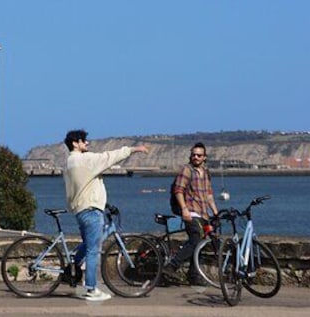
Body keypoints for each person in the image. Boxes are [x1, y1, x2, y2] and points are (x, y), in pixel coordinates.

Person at [63, 129, 149, 301]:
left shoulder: (68, 163)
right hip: (91, 210)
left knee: (88, 244)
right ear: (75, 143)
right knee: (94, 250)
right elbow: (109, 156)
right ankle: (91, 289)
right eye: (84, 141)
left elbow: (83, 186)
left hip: (80, 209)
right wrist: (133, 149)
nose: (87, 143)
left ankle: (73, 265)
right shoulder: (85, 160)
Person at [162, 141, 219, 285]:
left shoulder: (206, 172)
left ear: (204, 157)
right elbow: (178, 190)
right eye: (193, 155)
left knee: (202, 243)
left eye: (199, 155)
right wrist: (184, 209)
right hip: (191, 212)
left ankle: (193, 275)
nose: (196, 157)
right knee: (196, 239)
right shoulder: (186, 170)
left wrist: (216, 213)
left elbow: (209, 194)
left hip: (203, 214)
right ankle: (171, 267)